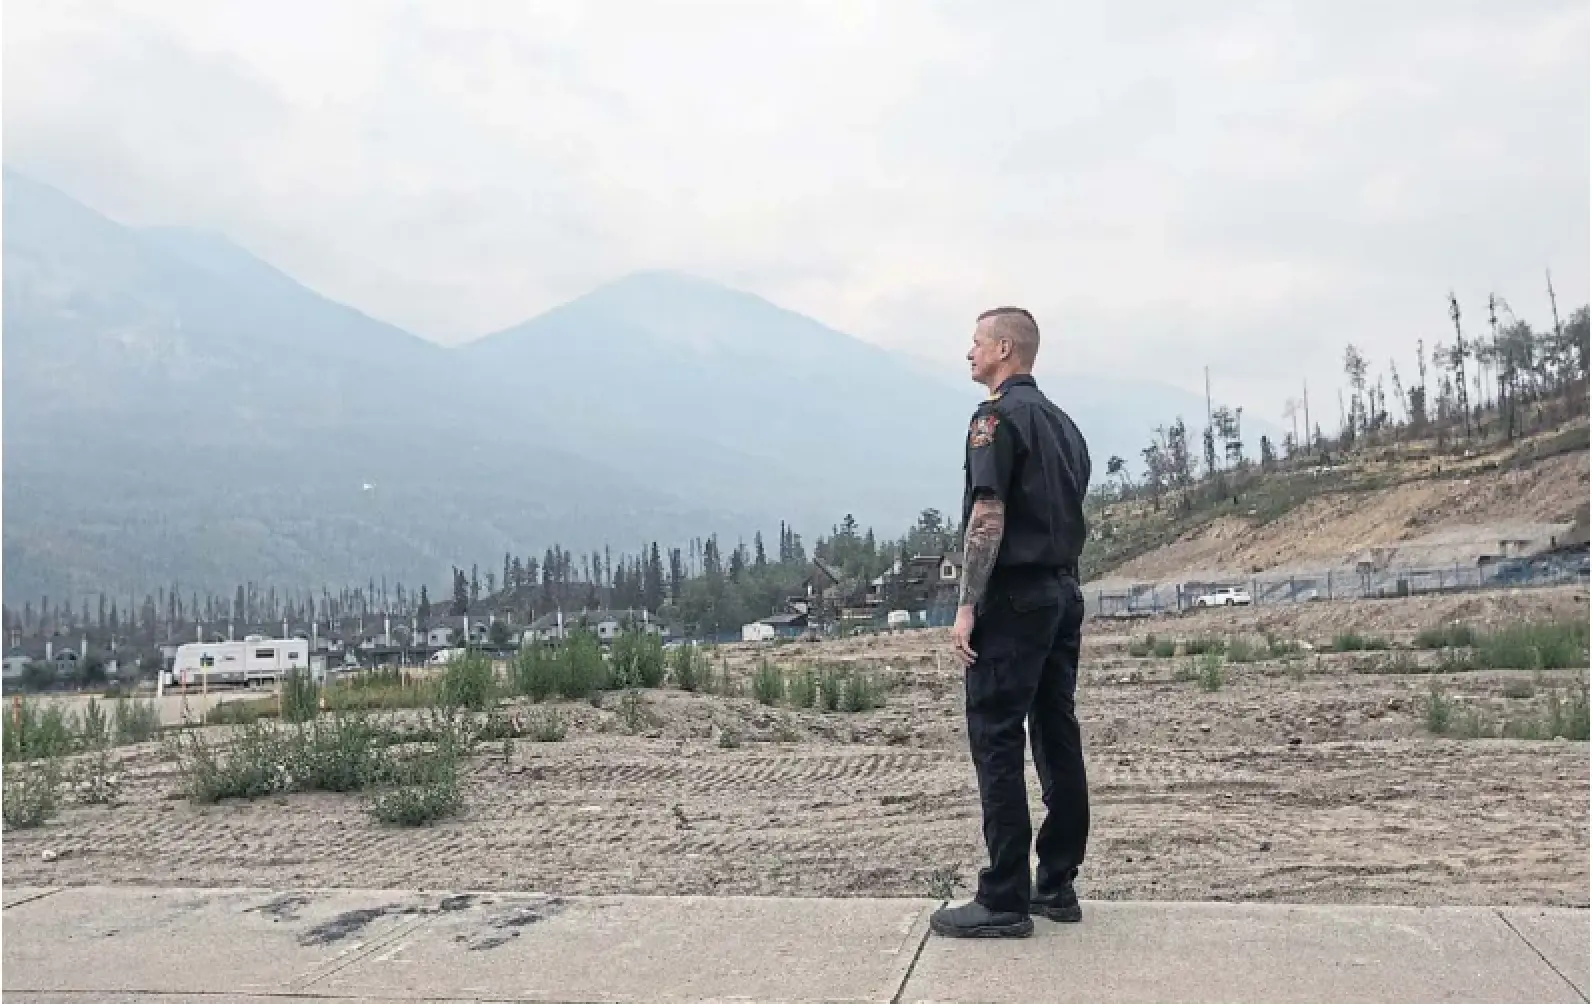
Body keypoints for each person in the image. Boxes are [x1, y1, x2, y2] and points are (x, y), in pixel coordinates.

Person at [930, 306, 1093, 939]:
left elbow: (987, 516)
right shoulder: (1064, 425)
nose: (968, 353)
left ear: (1004, 348)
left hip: (1017, 600)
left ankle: (1002, 896)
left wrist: (967, 605)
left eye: (975, 343)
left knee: (996, 736)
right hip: (1064, 595)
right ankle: (1056, 881)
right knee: (1056, 730)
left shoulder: (993, 420)